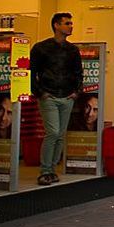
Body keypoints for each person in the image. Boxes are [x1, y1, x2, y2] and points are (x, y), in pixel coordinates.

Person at [30, 13, 83, 186]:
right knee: (52, 132)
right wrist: (40, 93)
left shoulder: (73, 50)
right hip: (49, 95)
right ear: (56, 25)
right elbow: (32, 73)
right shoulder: (41, 48)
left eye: (71, 23)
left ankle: (52, 169)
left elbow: (78, 73)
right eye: (67, 23)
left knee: (60, 135)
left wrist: (76, 92)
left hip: (67, 95)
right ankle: (45, 170)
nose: (71, 26)